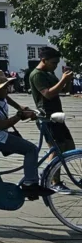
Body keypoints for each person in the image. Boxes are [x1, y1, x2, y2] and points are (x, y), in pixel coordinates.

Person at [0, 70, 50, 200]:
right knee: (30, 149)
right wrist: (19, 115)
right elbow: (1, 125)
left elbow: (7, 98)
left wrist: (20, 107)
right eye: (5, 87)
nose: (8, 89)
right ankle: (30, 184)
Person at [29, 46, 76, 193]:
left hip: (57, 116)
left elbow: (63, 90)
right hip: (47, 117)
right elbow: (48, 94)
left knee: (69, 146)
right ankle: (54, 181)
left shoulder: (49, 73)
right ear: (44, 60)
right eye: (53, 63)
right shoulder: (37, 75)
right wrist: (62, 79)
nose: (55, 65)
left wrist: (67, 79)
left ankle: (48, 172)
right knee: (57, 149)